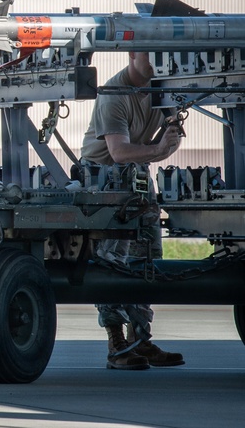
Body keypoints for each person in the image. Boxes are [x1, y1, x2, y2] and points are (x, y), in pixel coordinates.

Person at [80, 51, 185, 371]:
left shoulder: (161, 88)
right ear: (133, 55)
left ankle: (140, 338)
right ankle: (117, 343)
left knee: (148, 256)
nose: (158, 63)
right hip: (105, 181)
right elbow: (118, 151)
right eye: (151, 56)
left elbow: (167, 140)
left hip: (137, 176)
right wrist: (157, 149)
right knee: (112, 261)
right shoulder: (114, 95)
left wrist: (169, 140)